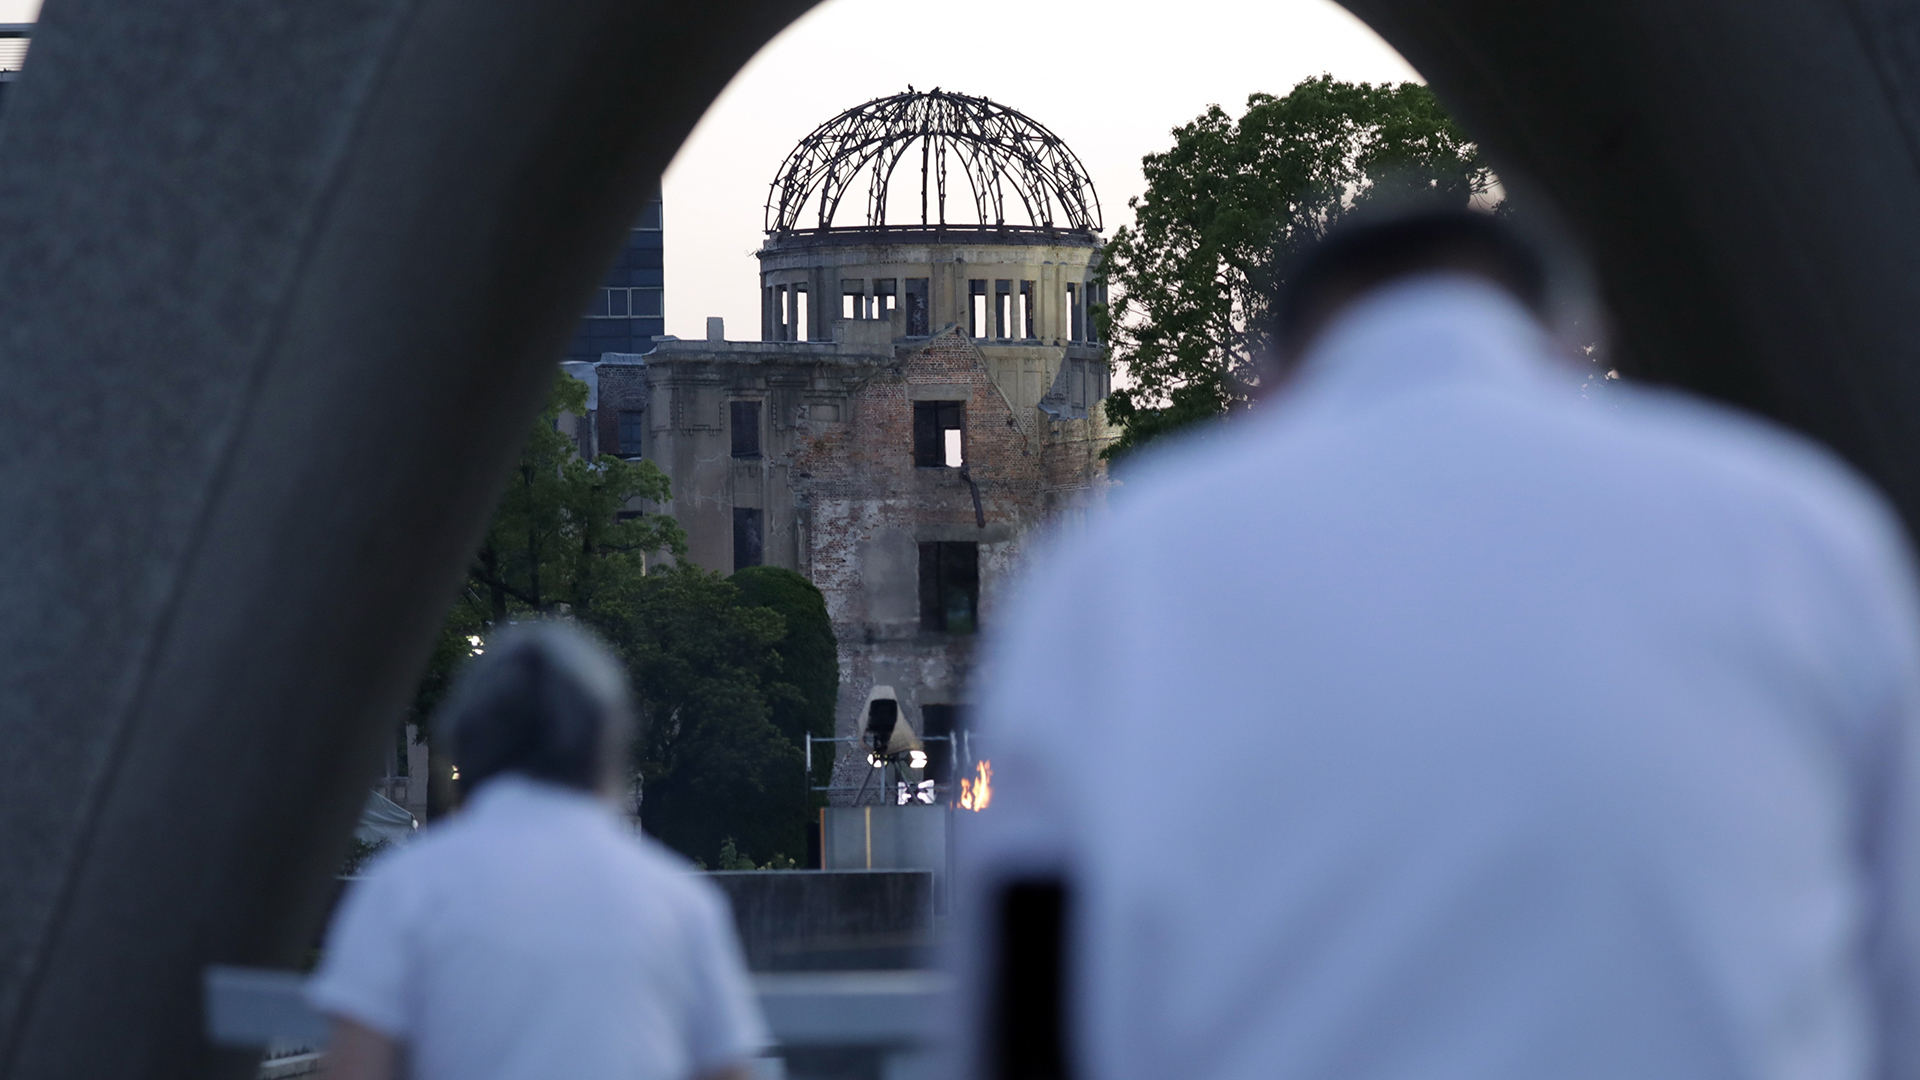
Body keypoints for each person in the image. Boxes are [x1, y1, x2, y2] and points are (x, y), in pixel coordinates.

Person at [956, 209, 1920, 1080]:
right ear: (1575, 340)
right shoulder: (1805, 528)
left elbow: (1022, 980)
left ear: (1271, 373)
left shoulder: (1124, 562)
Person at [308, 622, 766, 1080]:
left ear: (465, 746)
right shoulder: (679, 901)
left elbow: (355, 1068)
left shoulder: (401, 888)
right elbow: (729, 1070)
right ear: (605, 750)